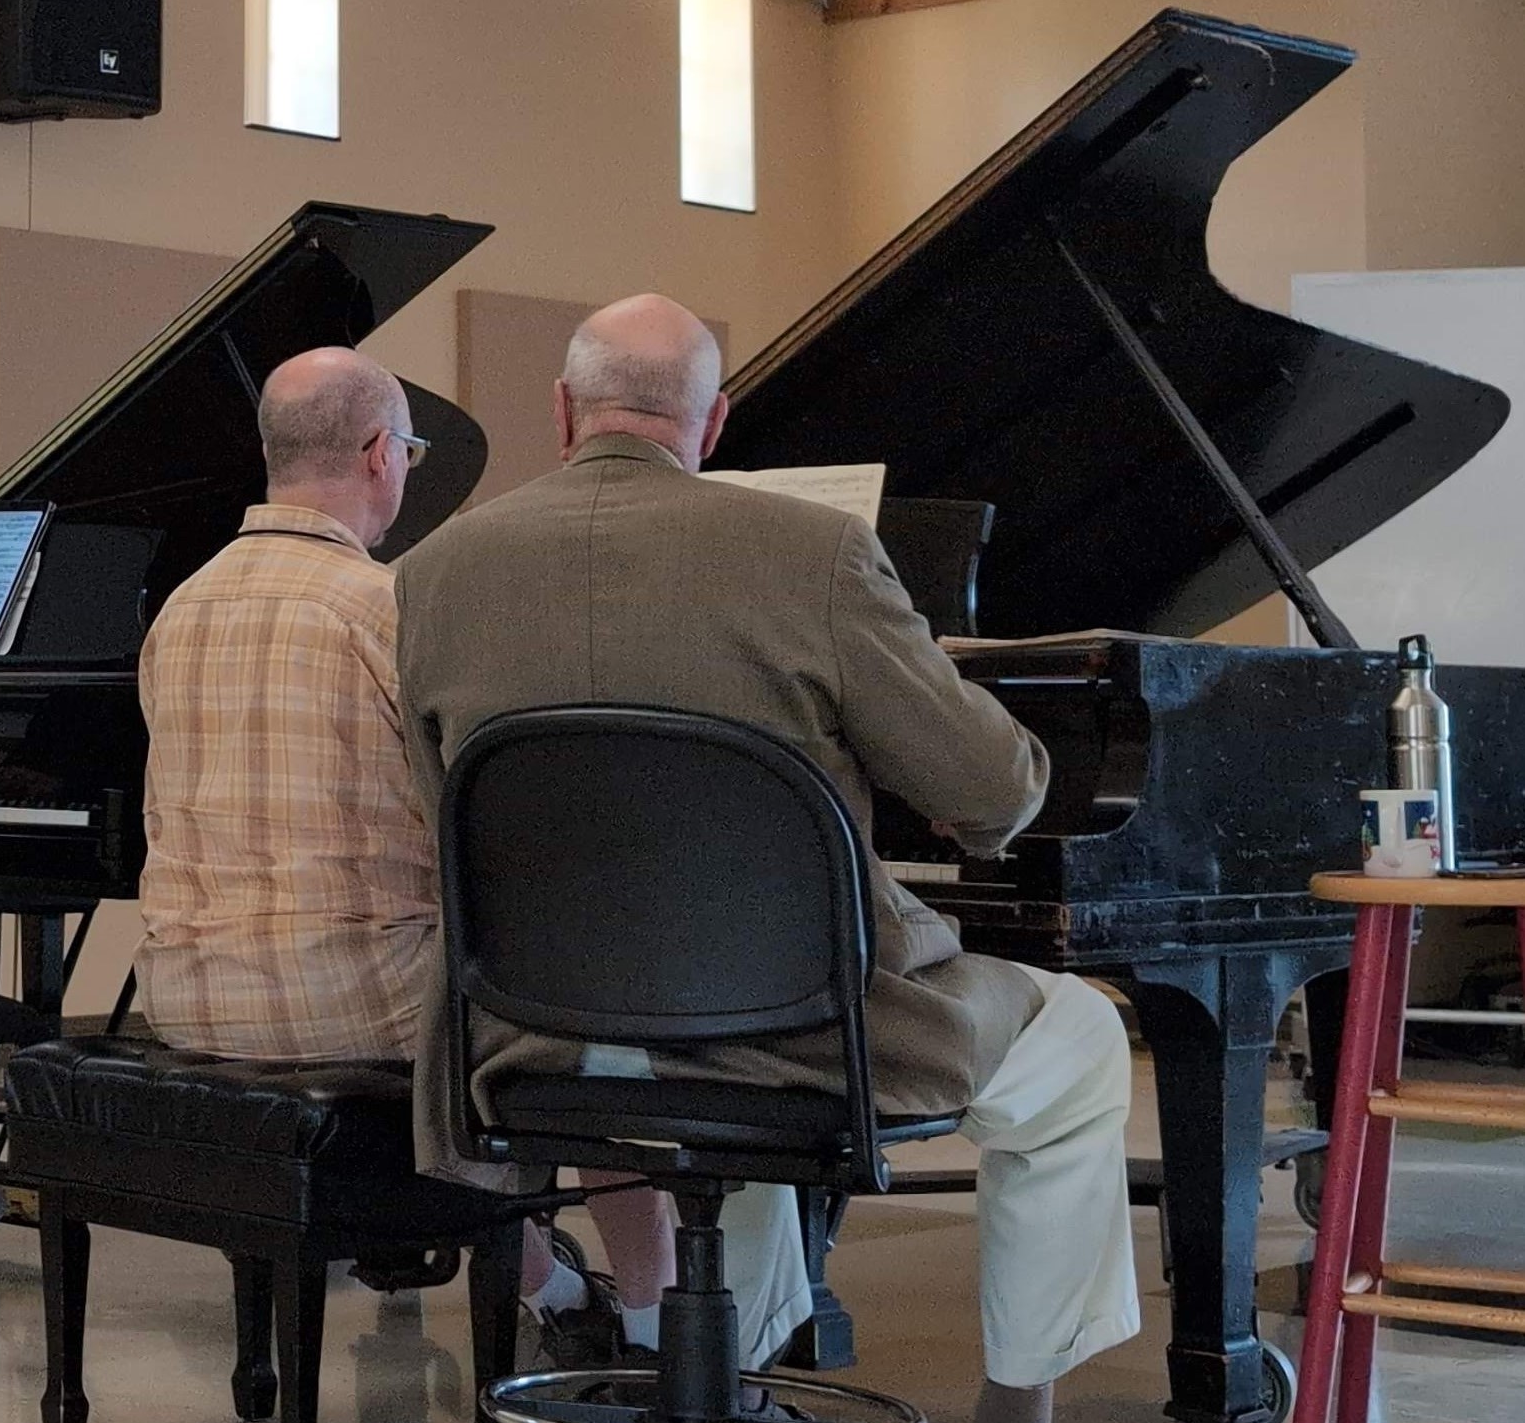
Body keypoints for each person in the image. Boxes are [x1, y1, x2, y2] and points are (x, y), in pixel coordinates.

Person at [394, 295, 1138, 1423]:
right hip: (783, 1035)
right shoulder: (816, 552)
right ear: (714, 422)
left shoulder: (435, 569)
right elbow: (993, 791)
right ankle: (1014, 1400)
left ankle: (735, 1371)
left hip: (523, 1034)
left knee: (711, 1037)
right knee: (1077, 1036)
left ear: (559, 411)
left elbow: (444, 810)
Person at [131, 346, 665, 1363]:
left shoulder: (178, 611)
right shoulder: (390, 606)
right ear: (382, 453)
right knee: (606, 1022)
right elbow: (478, 814)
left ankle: (553, 1288)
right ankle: (650, 1321)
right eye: (409, 450)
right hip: (351, 999)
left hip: (187, 994)